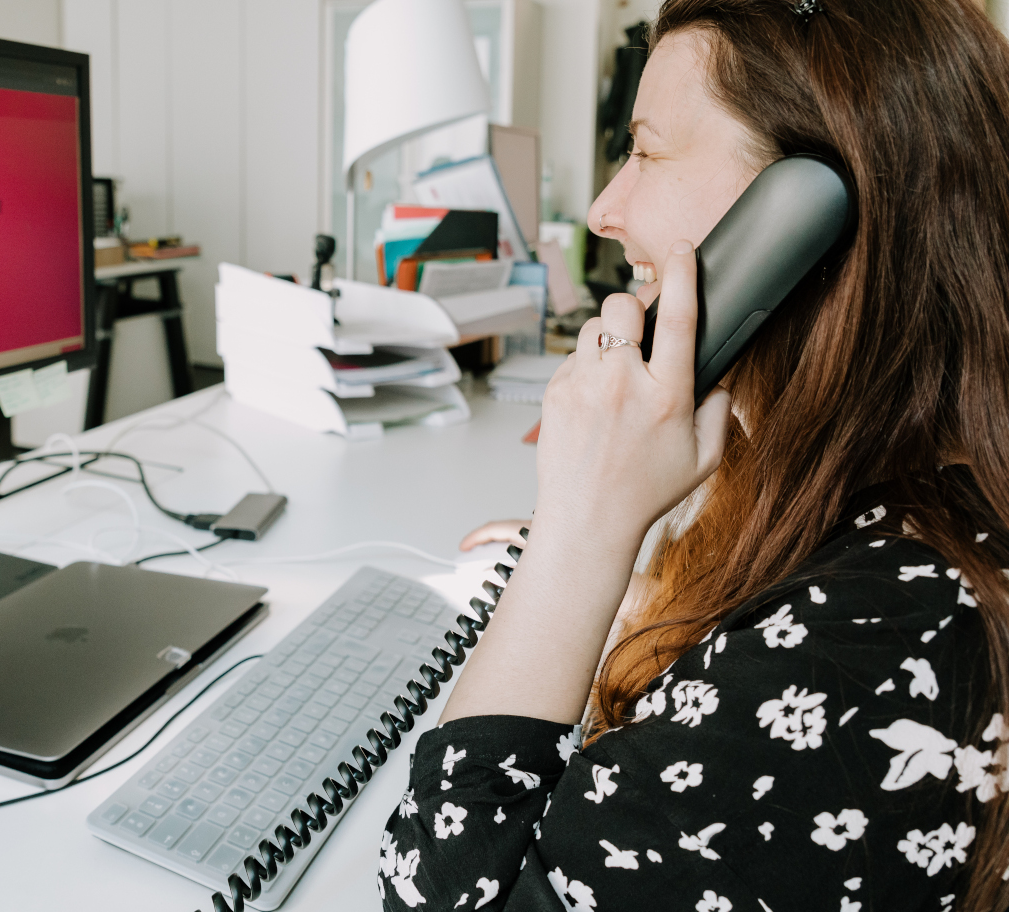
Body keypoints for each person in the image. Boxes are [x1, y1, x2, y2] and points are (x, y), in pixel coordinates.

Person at [378, 1, 1009, 910]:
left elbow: (439, 896)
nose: (603, 208)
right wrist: (649, 590)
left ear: (798, 212)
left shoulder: (872, 647)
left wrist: (578, 538)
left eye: (647, 149)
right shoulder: (886, 513)